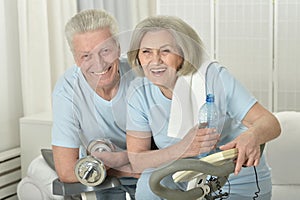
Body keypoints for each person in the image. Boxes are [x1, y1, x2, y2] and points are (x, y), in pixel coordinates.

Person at [126, 15, 281, 200]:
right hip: (183, 182)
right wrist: (184, 148)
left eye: (165, 51)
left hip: (236, 179)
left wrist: (252, 135)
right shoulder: (139, 93)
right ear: (137, 56)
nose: (155, 60)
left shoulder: (214, 78)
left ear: (183, 53)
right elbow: (137, 160)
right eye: (146, 52)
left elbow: (271, 123)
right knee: (148, 184)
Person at [51, 9, 138, 199]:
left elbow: (165, 149)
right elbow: (66, 171)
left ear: (118, 48)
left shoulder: (140, 77)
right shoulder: (67, 90)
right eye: (86, 56)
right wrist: (128, 169)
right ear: (75, 59)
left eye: (105, 50)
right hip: (103, 175)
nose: (98, 64)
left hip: (146, 173)